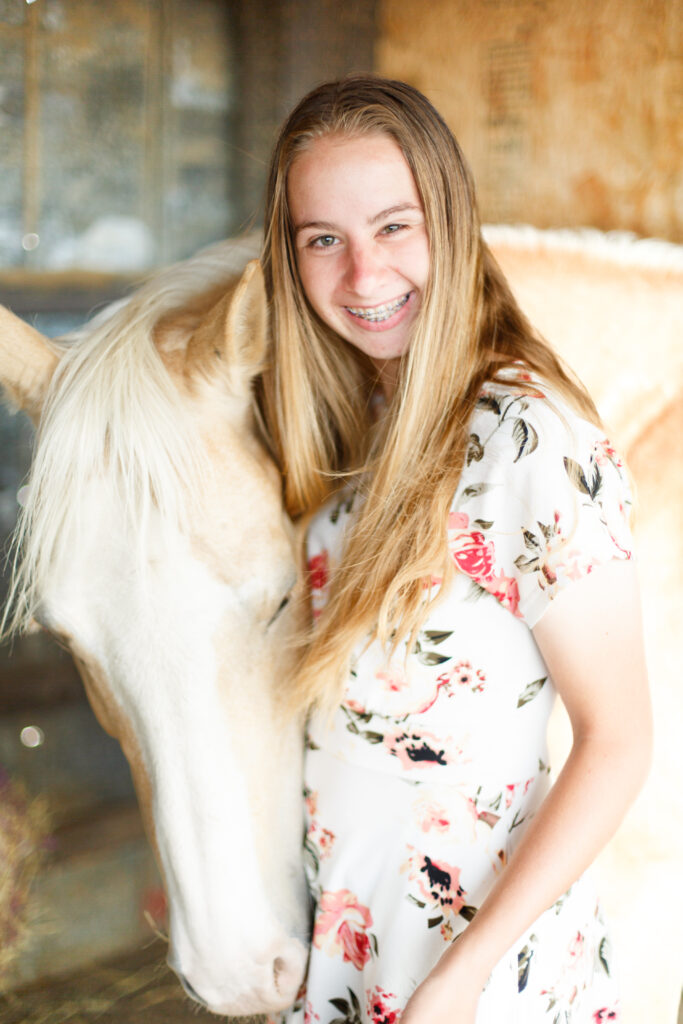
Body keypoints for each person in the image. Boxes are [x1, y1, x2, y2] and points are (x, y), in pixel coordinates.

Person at [258, 76, 652, 1024]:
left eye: (395, 227)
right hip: (347, 951)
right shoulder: (356, 424)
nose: (363, 275)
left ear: (452, 218)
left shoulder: (529, 439)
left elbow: (620, 741)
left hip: (474, 975)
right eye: (325, 239)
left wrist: (462, 975)